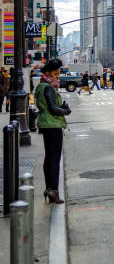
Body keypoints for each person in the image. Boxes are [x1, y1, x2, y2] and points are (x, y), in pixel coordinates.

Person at [35, 58, 71, 204]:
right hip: (52, 125)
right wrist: (66, 111)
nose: (57, 76)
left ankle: (49, 189)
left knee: (49, 157)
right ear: (48, 73)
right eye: (55, 74)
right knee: (54, 159)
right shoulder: (48, 88)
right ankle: (53, 191)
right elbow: (53, 109)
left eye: (58, 74)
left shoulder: (42, 86)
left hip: (47, 124)